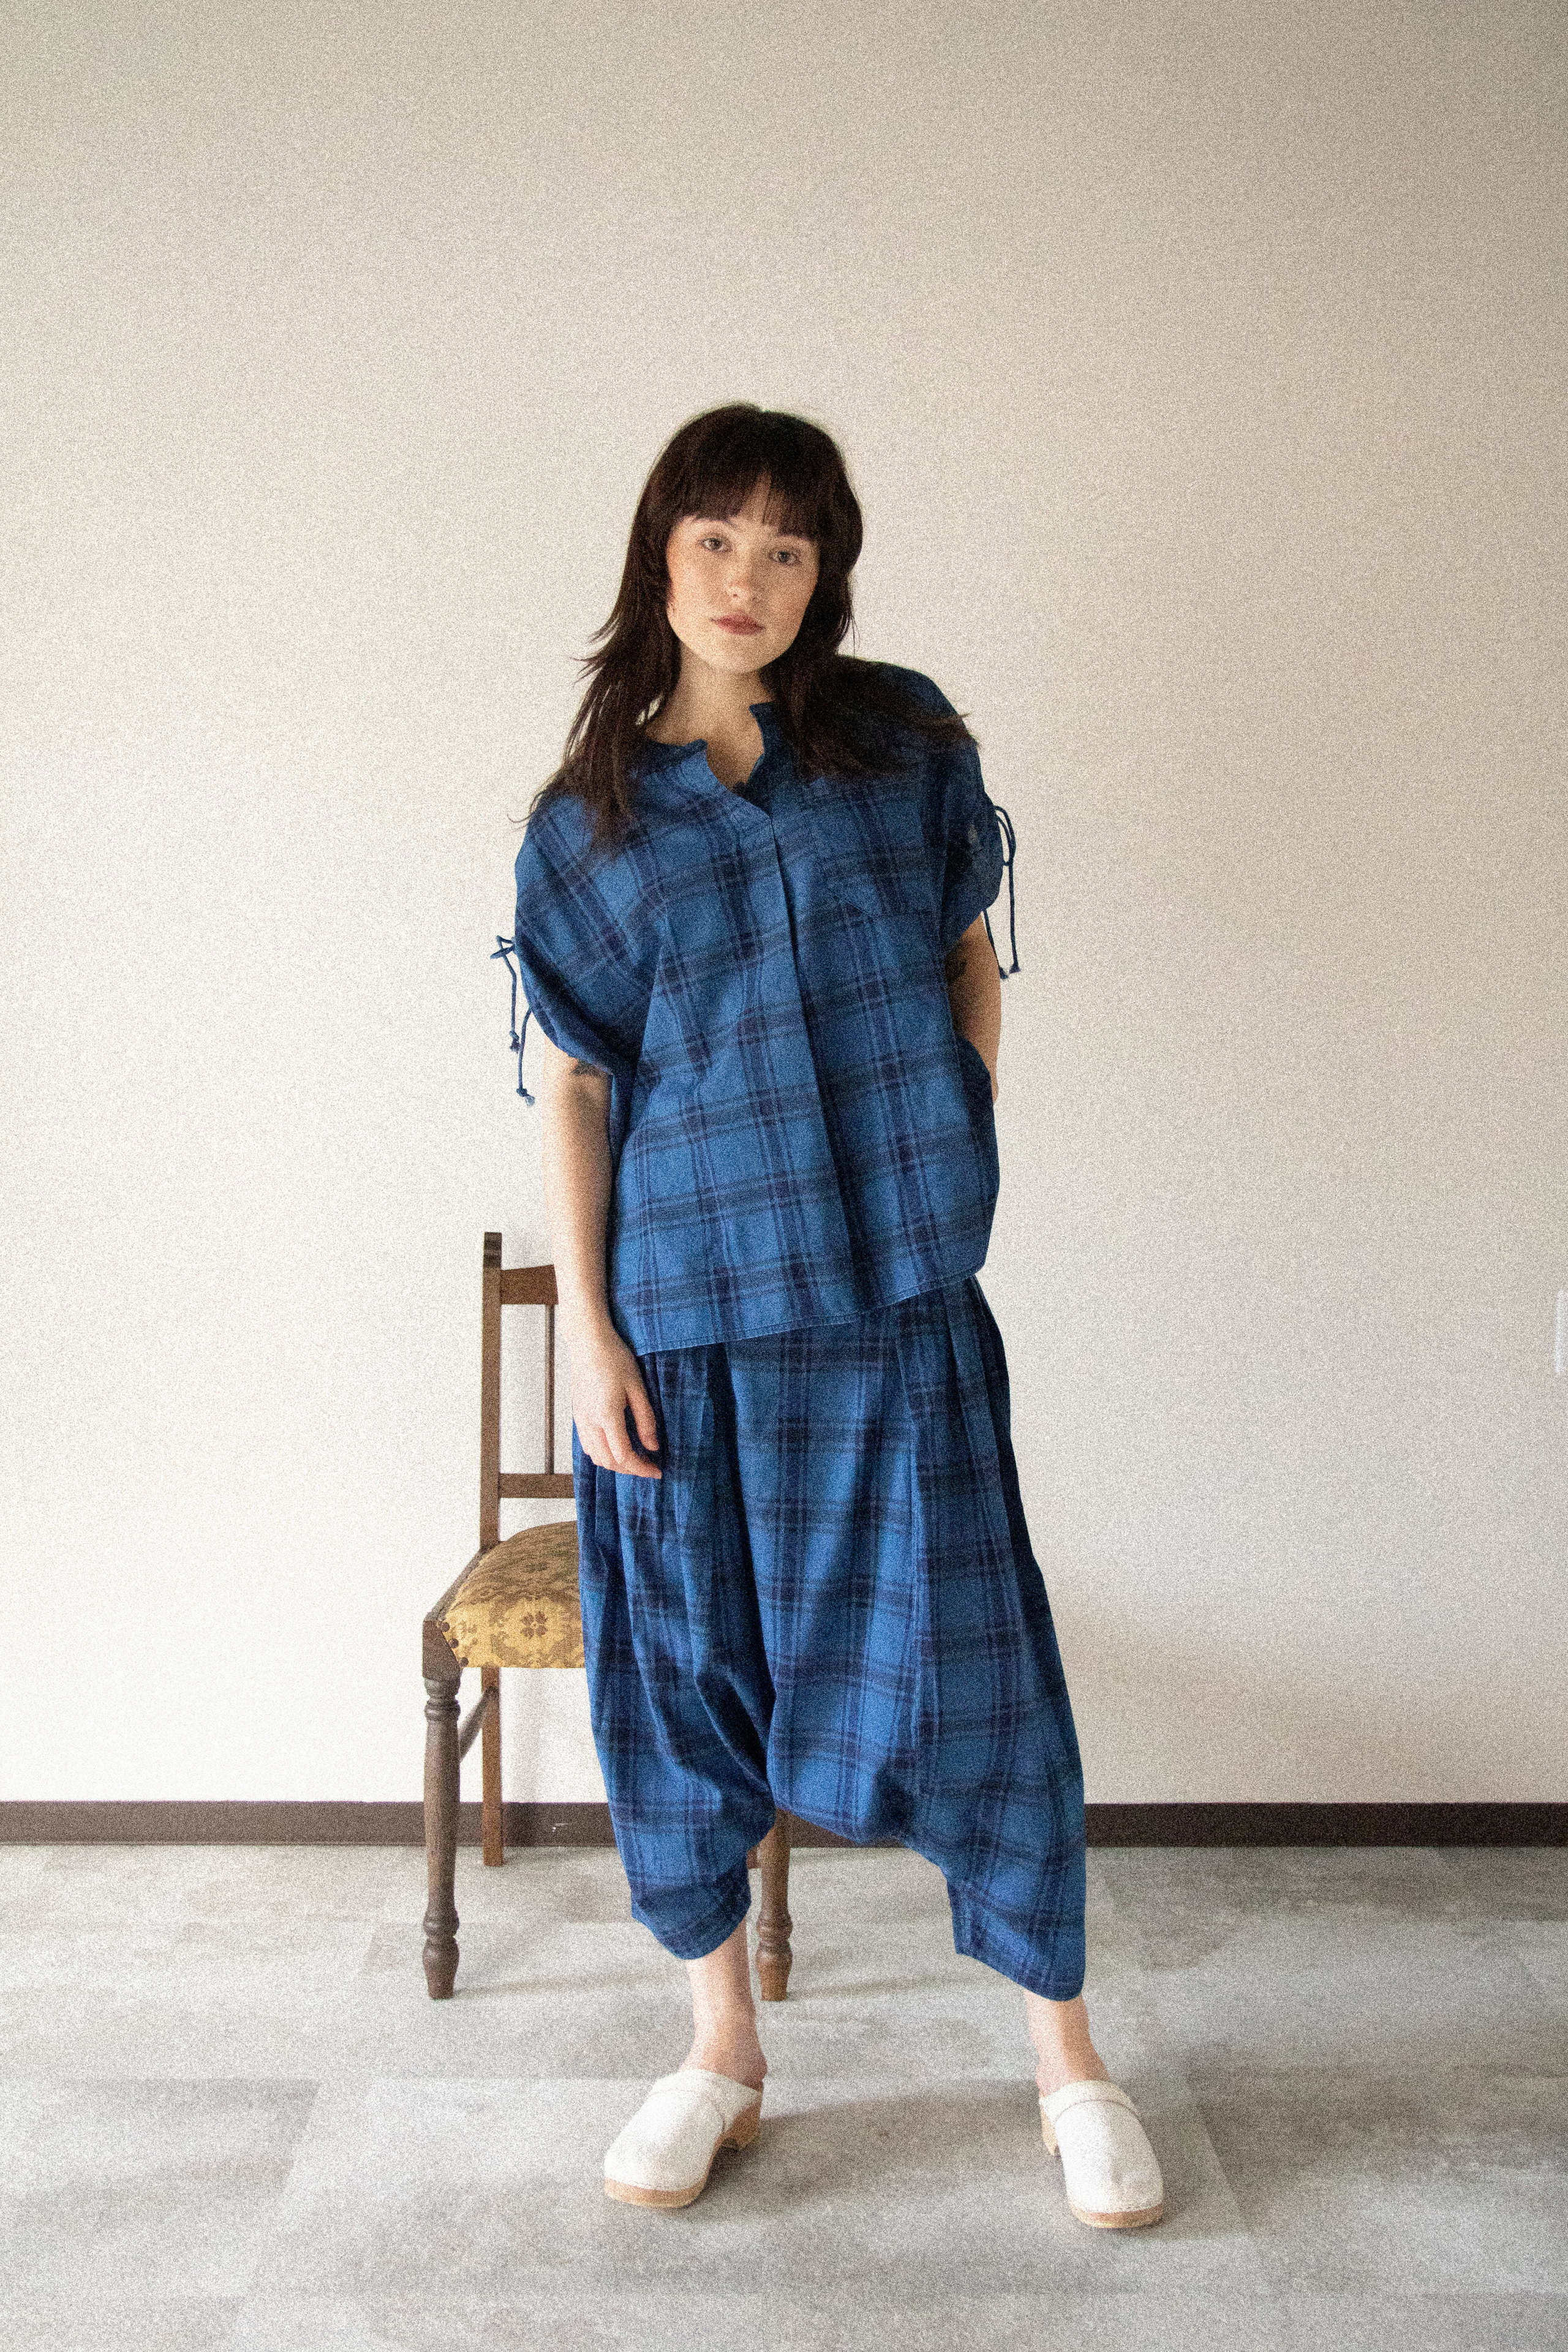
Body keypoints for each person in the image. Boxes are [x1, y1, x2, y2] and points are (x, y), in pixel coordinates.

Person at [496, 402, 1165, 2230]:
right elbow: (577, 1087)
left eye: (787, 549)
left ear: (826, 577)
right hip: (689, 1318)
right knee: (683, 1681)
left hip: (891, 1302)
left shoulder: (902, 746)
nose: (749, 578)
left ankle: (1071, 2065)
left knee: (983, 1676)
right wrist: (592, 1334)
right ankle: (719, 2051)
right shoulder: (589, 828)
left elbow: (966, 948)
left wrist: (953, 1121)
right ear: (660, 555)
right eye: (717, 539)